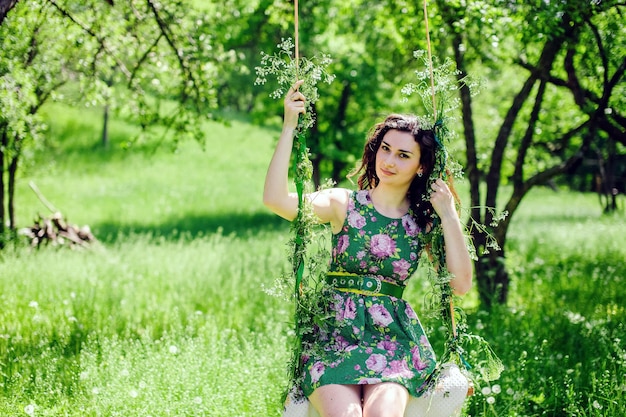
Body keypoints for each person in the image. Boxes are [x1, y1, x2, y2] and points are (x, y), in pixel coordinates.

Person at [264, 79, 473, 417]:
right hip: (334, 336)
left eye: (403, 155)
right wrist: (289, 126)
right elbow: (275, 200)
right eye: (385, 149)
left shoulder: (424, 221)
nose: (389, 160)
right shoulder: (342, 204)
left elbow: (460, 286)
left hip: (392, 341)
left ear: (420, 166)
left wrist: (448, 214)